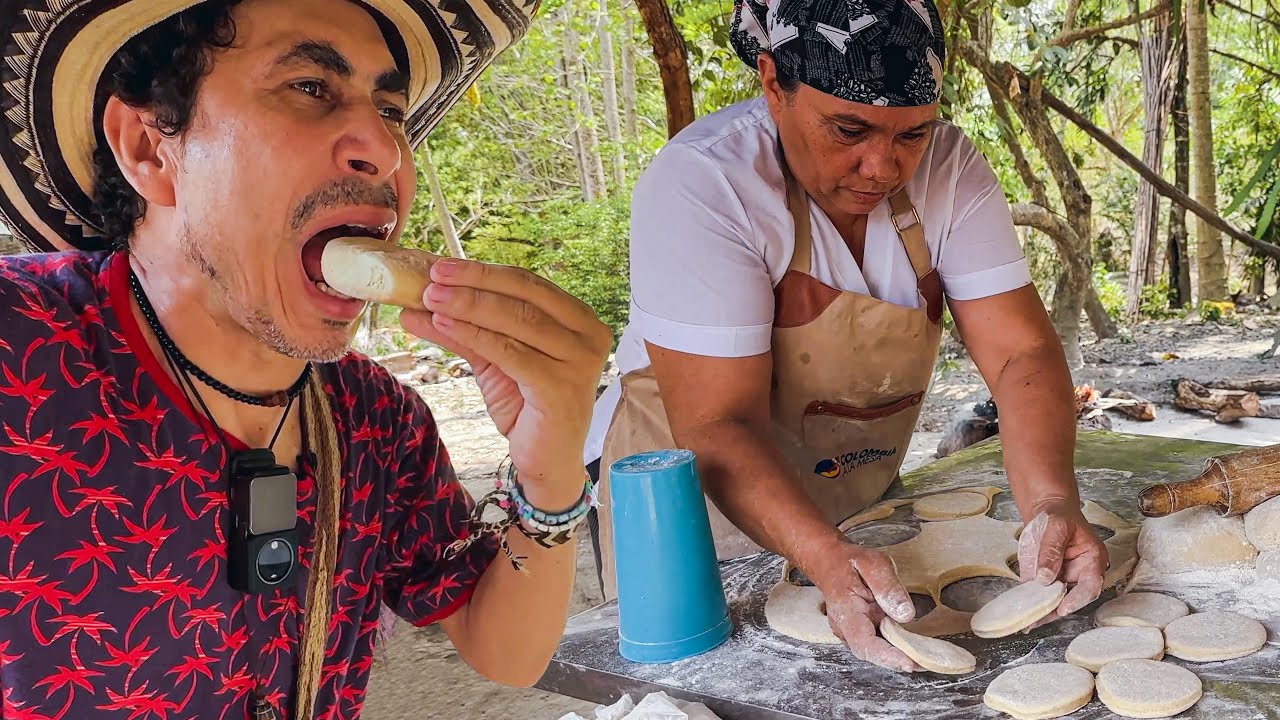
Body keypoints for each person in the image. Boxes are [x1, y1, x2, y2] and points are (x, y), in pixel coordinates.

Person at [0, 0, 611, 718]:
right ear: (147, 148)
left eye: (392, 111)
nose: (384, 152)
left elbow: (504, 651)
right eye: (310, 88)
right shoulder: (19, 346)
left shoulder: (379, 420)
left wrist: (551, 470)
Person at [586, 0, 1108, 672]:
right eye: (849, 129)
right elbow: (716, 422)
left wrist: (1051, 502)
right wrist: (823, 555)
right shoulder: (708, 183)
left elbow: (1020, 353)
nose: (882, 166)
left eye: (912, 134)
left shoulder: (949, 171)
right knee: (706, 684)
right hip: (692, 515)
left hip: (851, 501)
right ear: (774, 85)